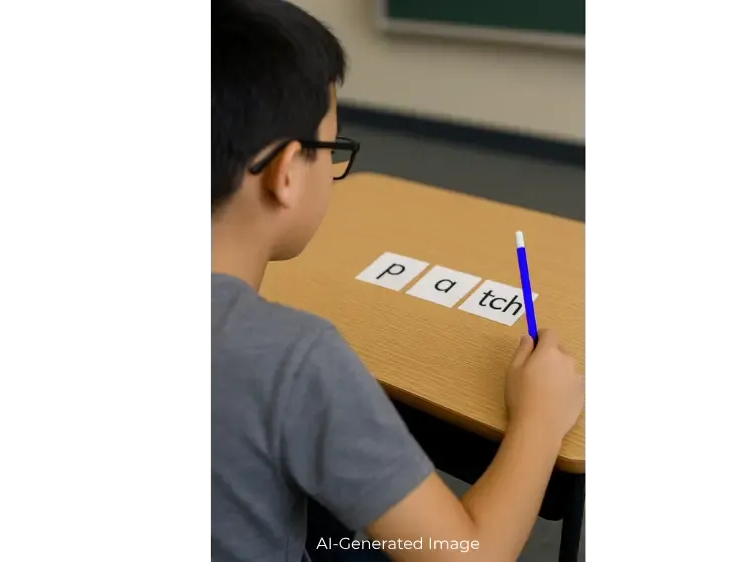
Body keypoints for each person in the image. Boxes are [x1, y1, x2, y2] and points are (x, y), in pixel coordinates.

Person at [209, 1, 585, 560]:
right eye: (331, 150)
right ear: (286, 174)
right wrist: (540, 418)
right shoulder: (297, 359)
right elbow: (471, 555)